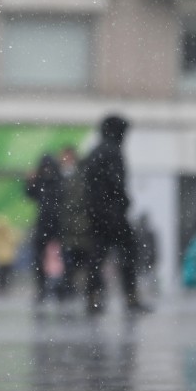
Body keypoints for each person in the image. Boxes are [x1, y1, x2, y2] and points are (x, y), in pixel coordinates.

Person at [81, 115, 150, 316]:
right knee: (128, 253)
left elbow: (89, 184)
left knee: (97, 256)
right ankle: (131, 297)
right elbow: (116, 182)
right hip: (113, 214)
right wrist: (125, 201)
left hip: (96, 213)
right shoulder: (113, 151)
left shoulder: (95, 152)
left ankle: (93, 297)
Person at [25, 153, 65, 304]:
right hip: (44, 224)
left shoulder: (58, 180)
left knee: (62, 258)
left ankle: (61, 288)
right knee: (40, 257)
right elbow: (29, 194)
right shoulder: (42, 181)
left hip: (57, 224)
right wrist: (30, 181)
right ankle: (43, 288)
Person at [57, 146, 91, 298]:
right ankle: (70, 289)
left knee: (80, 262)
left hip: (78, 230)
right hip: (68, 230)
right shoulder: (58, 175)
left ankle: (76, 290)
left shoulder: (79, 178)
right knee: (70, 263)